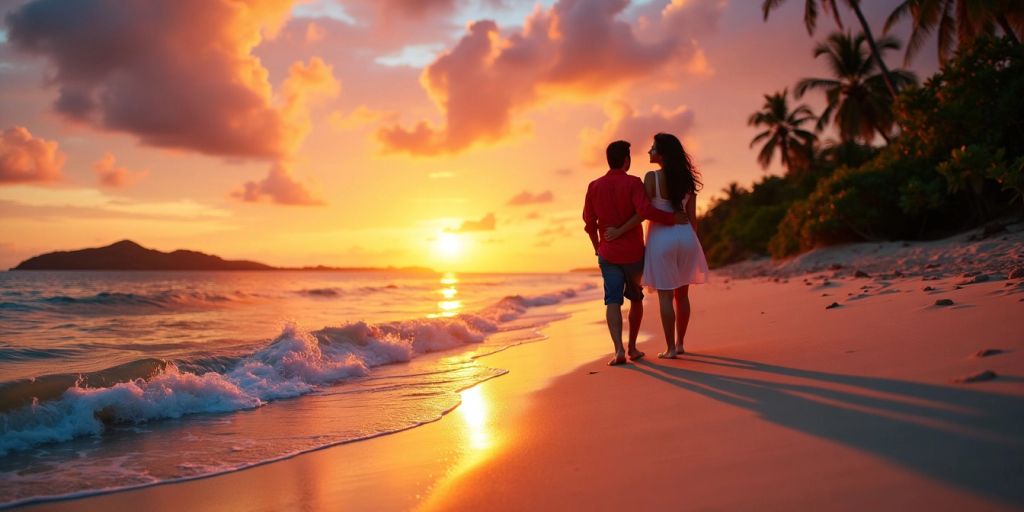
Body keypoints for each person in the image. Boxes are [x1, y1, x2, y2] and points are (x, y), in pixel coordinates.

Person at [583, 140, 689, 366]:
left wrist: (596, 247)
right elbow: (645, 211)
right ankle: (632, 346)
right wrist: (672, 219)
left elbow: (589, 223)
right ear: (626, 160)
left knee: (612, 301)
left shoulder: (594, 186)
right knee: (636, 299)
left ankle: (618, 350)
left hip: (608, 254)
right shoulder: (633, 183)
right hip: (633, 254)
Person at [605, 133, 708, 358]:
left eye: (653, 148)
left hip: (662, 239)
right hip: (686, 236)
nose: (649, 151)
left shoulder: (651, 177)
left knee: (665, 296)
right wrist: (689, 241)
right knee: (683, 295)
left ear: (662, 153)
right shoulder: (688, 181)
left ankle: (670, 348)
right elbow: (693, 219)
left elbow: (643, 212)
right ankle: (680, 343)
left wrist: (619, 230)